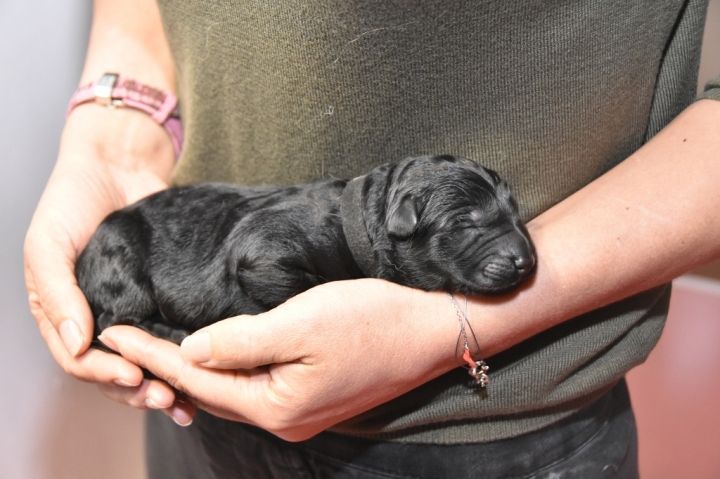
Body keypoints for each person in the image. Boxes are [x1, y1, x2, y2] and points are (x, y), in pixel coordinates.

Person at [24, 0, 720, 477]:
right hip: (199, 407)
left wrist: (451, 324)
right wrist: (116, 128)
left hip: (489, 425)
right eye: (472, 226)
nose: (511, 246)